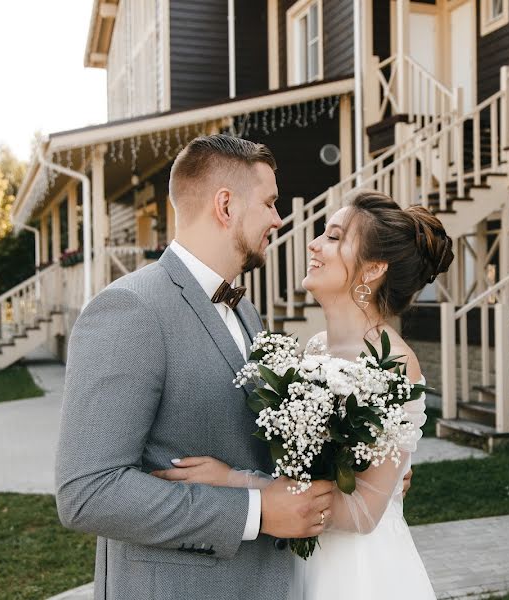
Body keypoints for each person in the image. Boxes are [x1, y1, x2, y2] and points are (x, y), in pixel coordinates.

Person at [55, 134, 336, 600]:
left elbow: (254, 442)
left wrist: (354, 462)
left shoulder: (247, 311)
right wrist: (255, 512)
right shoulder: (130, 310)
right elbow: (87, 492)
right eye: (269, 203)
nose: (277, 218)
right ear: (225, 206)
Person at [153, 191, 454, 599]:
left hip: (356, 575)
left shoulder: (395, 364)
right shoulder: (314, 347)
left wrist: (233, 481)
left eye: (333, 237)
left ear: (373, 269)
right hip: (295, 559)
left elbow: (364, 513)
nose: (313, 243)